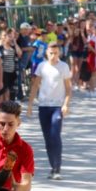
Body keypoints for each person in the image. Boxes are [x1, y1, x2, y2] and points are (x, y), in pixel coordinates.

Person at [27, 43, 72, 180]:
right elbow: (35, 86)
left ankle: (57, 168)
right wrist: (30, 105)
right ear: (47, 53)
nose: (53, 56)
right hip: (43, 106)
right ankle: (52, 167)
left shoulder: (63, 67)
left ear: (59, 53)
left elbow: (68, 88)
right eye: (51, 53)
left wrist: (65, 104)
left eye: (56, 53)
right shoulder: (42, 66)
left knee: (55, 135)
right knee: (47, 139)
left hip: (57, 106)